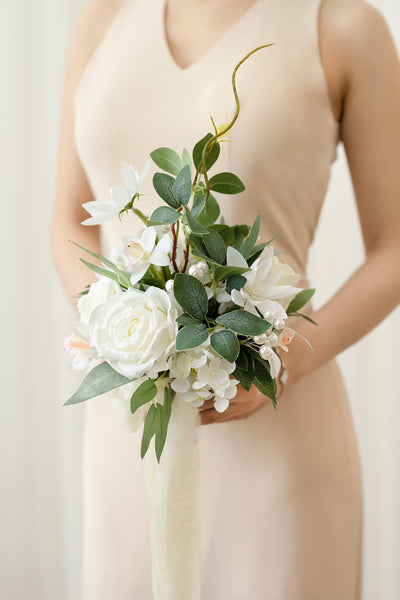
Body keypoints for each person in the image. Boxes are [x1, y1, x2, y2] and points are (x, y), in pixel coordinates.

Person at [50, 0, 400, 598]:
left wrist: (289, 358)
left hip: (277, 429)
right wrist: (128, 332)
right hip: (129, 429)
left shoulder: (341, 24)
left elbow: (395, 245)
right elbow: (68, 221)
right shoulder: (102, 17)